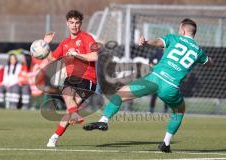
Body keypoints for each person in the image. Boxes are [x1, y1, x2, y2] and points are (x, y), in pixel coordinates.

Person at [83, 18, 212, 152]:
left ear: (183, 30)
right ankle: (165, 144)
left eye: (180, 29)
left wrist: (145, 42)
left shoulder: (173, 38)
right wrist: (208, 60)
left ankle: (104, 120)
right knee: (179, 111)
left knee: (120, 94)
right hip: (170, 88)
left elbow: (156, 42)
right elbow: (208, 62)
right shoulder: (199, 52)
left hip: (154, 79)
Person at [43, 10, 98, 147]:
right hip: (72, 78)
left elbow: (94, 56)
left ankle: (71, 118)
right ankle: (54, 138)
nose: (74, 25)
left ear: (80, 23)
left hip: (88, 78)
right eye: (71, 22)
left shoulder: (87, 38)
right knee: (69, 104)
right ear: (67, 23)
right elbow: (52, 59)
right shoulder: (65, 42)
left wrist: (76, 55)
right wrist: (45, 45)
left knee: (69, 104)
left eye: (77, 22)